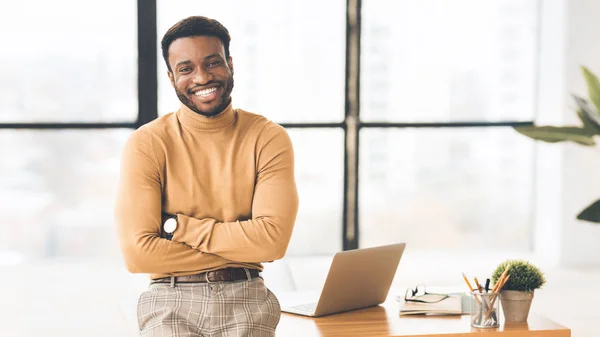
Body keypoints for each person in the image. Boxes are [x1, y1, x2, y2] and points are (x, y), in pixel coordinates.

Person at [115, 15, 299, 337]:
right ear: (172, 78)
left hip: (247, 299)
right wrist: (242, 243)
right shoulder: (147, 143)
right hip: (169, 300)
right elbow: (138, 253)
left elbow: (271, 242)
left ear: (230, 65)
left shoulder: (268, 138)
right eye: (186, 68)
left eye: (212, 63)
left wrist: (179, 227)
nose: (202, 77)